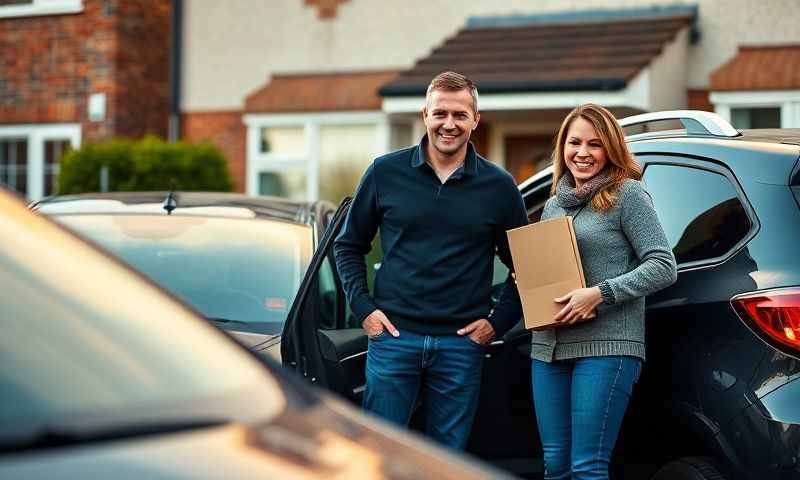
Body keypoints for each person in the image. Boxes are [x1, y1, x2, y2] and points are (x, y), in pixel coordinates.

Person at [333, 71, 528, 450]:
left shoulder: (499, 186)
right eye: (440, 114)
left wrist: (497, 323)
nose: (449, 124)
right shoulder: (384, 173)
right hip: (393, 338)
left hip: (461, 347)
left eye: (459, 115)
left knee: (446, 459)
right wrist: (363, 309)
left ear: (475, 120)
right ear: (425, 115)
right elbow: (348, 245)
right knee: (379, 453)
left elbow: (527, 263)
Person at [531, 104, 677, 479]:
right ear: (562, 147)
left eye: (595, 144)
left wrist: (600, 293)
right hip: (548, 349)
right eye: (575, 142)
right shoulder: (552, 205)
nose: (583, 152)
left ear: (610, 148)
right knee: (555, 467)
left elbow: (663, 265)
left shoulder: (628, 195)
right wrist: (531, 282)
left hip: (607, 348)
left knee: (587, 468)